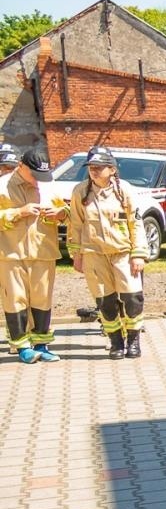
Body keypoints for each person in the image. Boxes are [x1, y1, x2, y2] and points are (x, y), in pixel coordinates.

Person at [67, 147, 148, 358]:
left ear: (112, 169)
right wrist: (76, 254)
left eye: (99, 168)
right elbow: (75, 224)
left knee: (132, 297)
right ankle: (116, 342)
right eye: (91, 168)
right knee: (105, 301)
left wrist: (138, 254)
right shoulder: (80, 192)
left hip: (122, 253)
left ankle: (133, 340)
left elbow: (136, 223)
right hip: (94, 254)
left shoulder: (125, 191)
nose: (94, 171)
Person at [0, 148, 67, 361]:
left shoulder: (48, 185)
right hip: (11, 253)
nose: (38, 181)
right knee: (15, 299)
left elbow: (66, 211)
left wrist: (60, 213)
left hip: (43, 251)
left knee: (42, 298)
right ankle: (22, 347)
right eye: (34, 175)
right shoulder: (3, 186)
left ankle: (41, 344)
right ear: (22, 166)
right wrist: (19, 212)